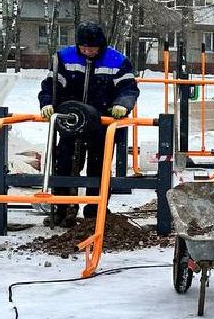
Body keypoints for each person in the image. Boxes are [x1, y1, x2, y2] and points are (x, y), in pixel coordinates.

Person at [38, 22, 139, 226]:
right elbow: (51, 85)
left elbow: (128, 89)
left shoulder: (117, 61)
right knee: (64, 163)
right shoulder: (63, 58)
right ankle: (62, 208)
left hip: (102, 125)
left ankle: (95, 210)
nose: (87, 51)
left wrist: (121, 104)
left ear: (100, 46)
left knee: (98, 167)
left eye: (91, 48)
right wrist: (47, 103)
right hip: (71, 122)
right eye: (83, 48)